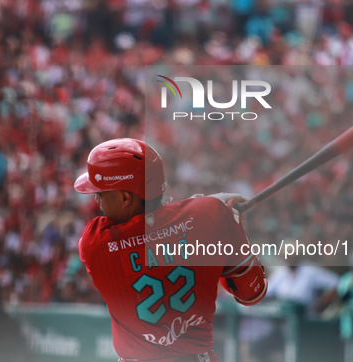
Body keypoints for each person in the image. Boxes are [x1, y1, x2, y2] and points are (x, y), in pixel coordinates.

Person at [74, 138, 267, 361]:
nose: (97, 200)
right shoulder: (212, 216)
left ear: (125, 197)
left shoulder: (94, 244)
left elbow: (155, 225)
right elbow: (252, 294)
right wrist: (227, 220)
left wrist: (210, 206)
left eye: (101, 193)